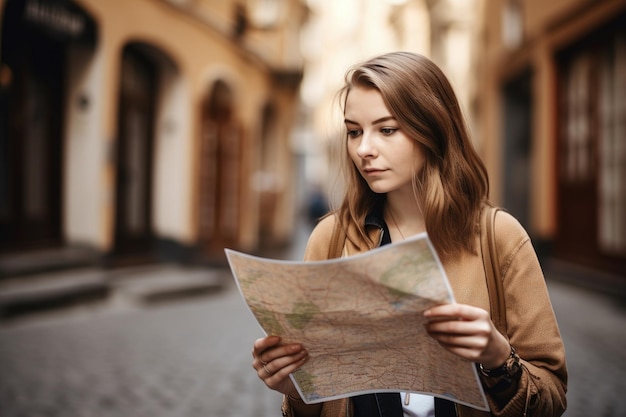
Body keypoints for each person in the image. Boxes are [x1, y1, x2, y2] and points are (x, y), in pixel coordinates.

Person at [251, 52, 567, 417]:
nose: (364, 149)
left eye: (386, 130)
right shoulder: (330, 238)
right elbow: (313, 405)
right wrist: (298, 388)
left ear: (431, 129)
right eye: (354, 132)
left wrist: (498, 359)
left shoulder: (500, 238)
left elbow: (552, 398)